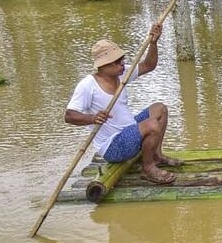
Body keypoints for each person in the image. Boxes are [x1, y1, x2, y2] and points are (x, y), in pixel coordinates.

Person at [64, 23, 182, 184]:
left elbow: (149, 65)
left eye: (122, 61)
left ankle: (156, 155)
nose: (122, 65)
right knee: (152, 125)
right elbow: (69, 115)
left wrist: (153, 43)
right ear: (103, 66)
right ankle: (148, 169)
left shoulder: (122, 74)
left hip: (130, 131)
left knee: (159, 108)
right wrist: (92, 118)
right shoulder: (87, 86)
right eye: (117, 62)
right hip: (114, 146)